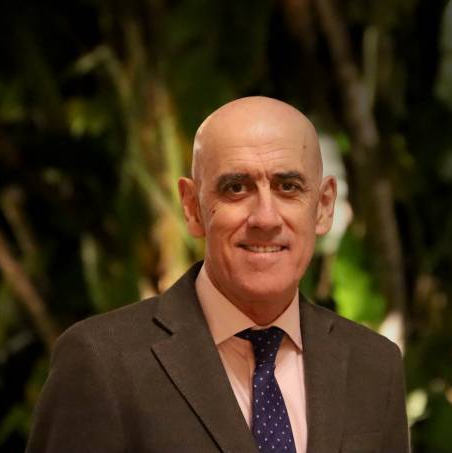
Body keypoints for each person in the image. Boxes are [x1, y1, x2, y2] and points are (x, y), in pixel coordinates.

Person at [26, 96, 410, 453]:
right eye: (236, 188)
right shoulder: (101, 362)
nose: (265, 218)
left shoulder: (375, 366)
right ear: (192, 207)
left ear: (323, 206)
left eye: (288, 187)